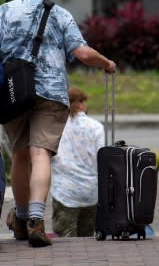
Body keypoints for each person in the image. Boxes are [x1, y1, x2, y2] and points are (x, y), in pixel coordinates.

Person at [0, 0, 116, 248]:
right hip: (52, 94)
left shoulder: (5, 11)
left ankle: (19, 217)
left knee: (20, 155)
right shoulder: (60, 14)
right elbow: (81, 52)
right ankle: (36, 220)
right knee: (41, 154)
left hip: (13, 93)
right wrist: (106, 63)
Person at [50, 86, 104, 237]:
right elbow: (102, 158)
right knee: (87, 239)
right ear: (81, 104)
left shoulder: (55, 126)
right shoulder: (96, 127)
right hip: (91, 192)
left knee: (65, 240)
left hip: (65, 191)